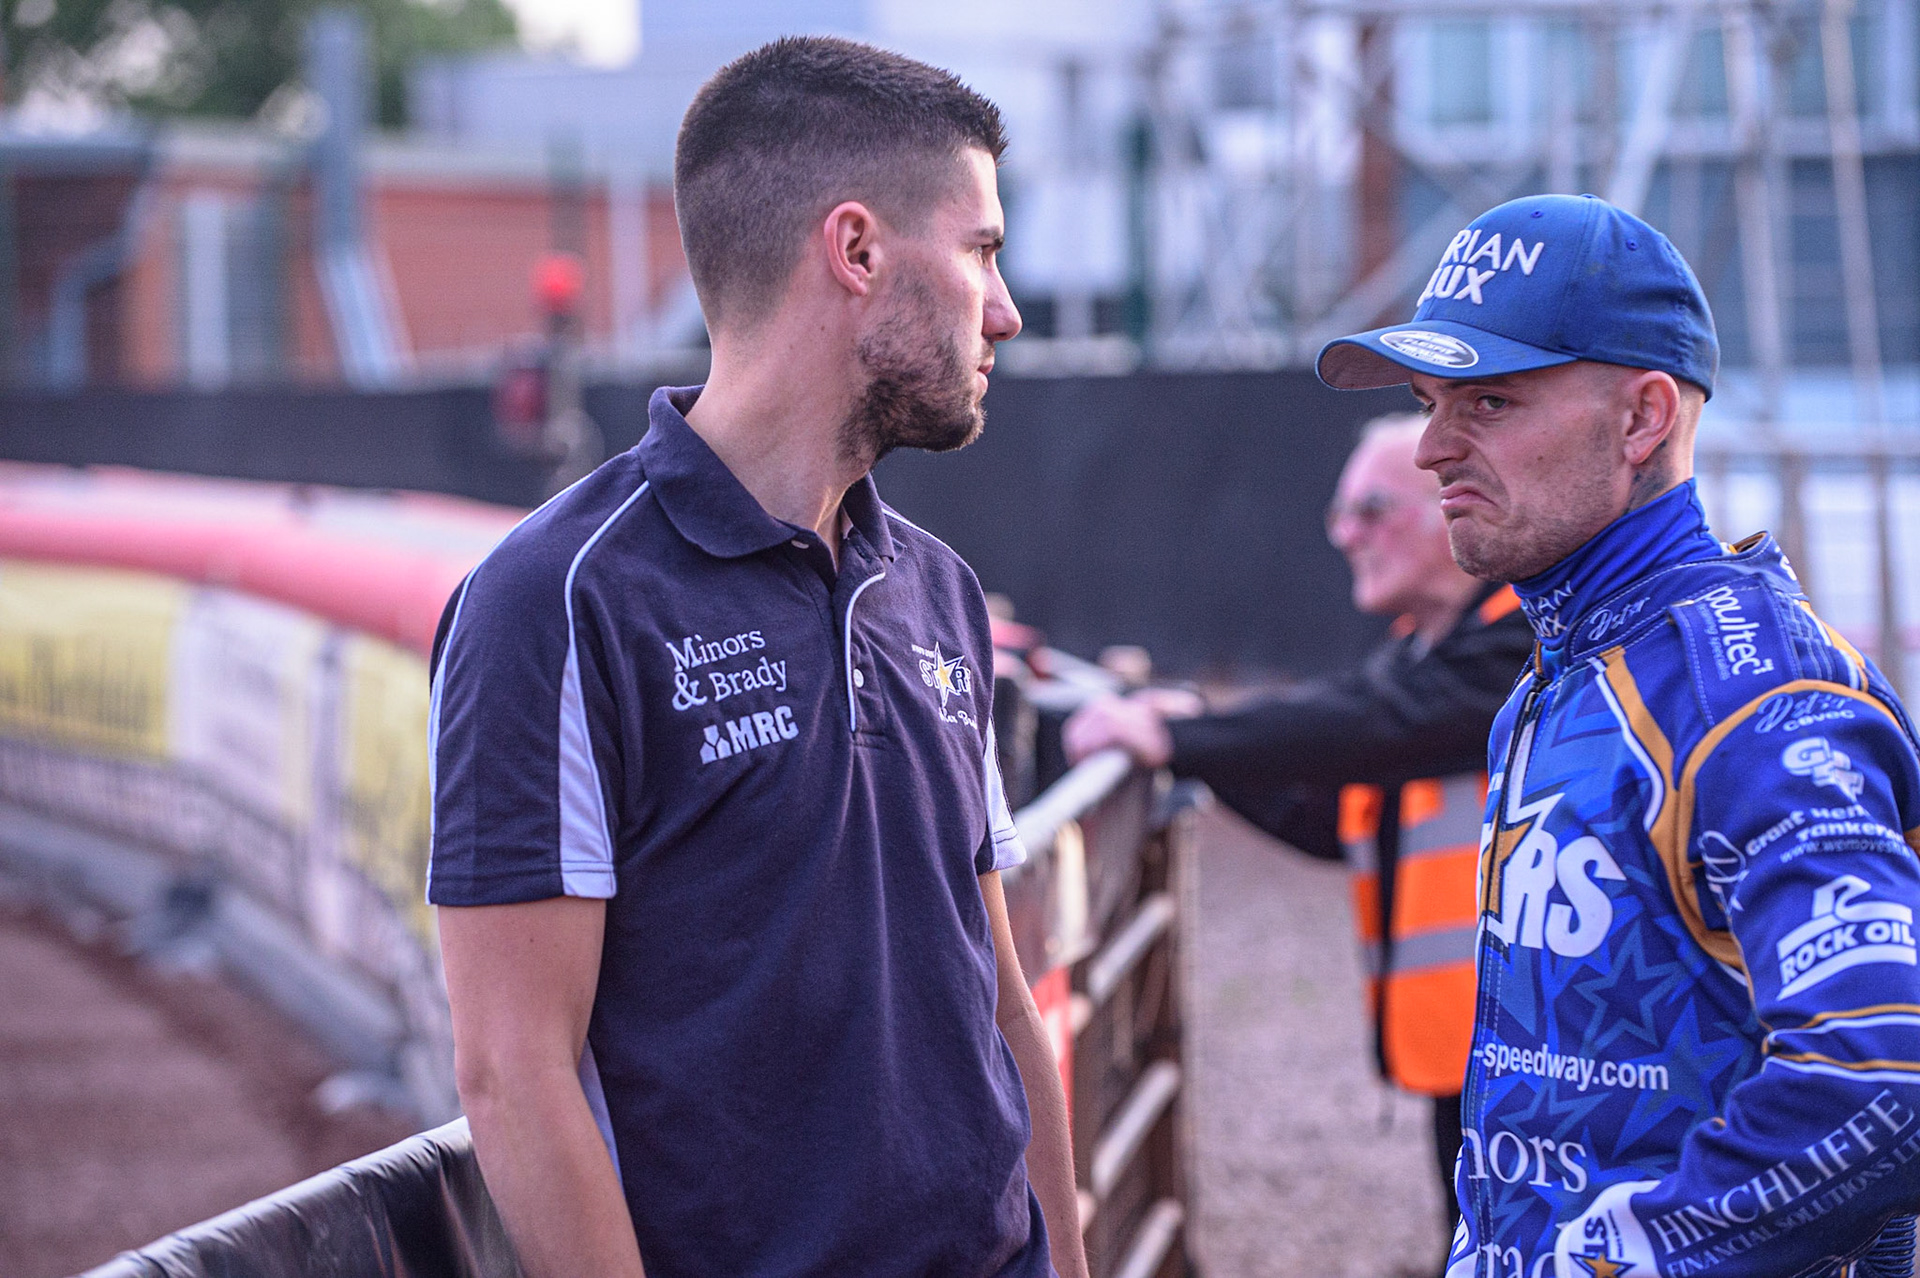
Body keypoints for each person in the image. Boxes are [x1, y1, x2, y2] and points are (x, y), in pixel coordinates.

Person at [427, 38, 1087, 1278]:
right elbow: (514, 1075)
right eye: (984, 249)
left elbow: (1004, 1007)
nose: (1004, 308)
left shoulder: (938, 589)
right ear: (856, 250)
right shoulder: (552, 603)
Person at [1316, 192, 1920, 1278]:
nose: (1432, 450)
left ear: (1643, 419)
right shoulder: (1560, 680)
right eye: (1428, 401)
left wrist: (1615, 1263)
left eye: (1488, 403)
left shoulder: (1754, 698)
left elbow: (1885, 1076)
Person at [1064, 413, 1533, 1261]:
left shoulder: (1521, 640)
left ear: (1452, 505)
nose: (1347, 535)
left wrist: (1186, 737)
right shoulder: (1427, 652)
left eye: (1373, 509)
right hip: (1467, 1056)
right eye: (1339, 515)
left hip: (1534, 1063)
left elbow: (1380, 726)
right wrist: (1195, 745)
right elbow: (1331, 818)